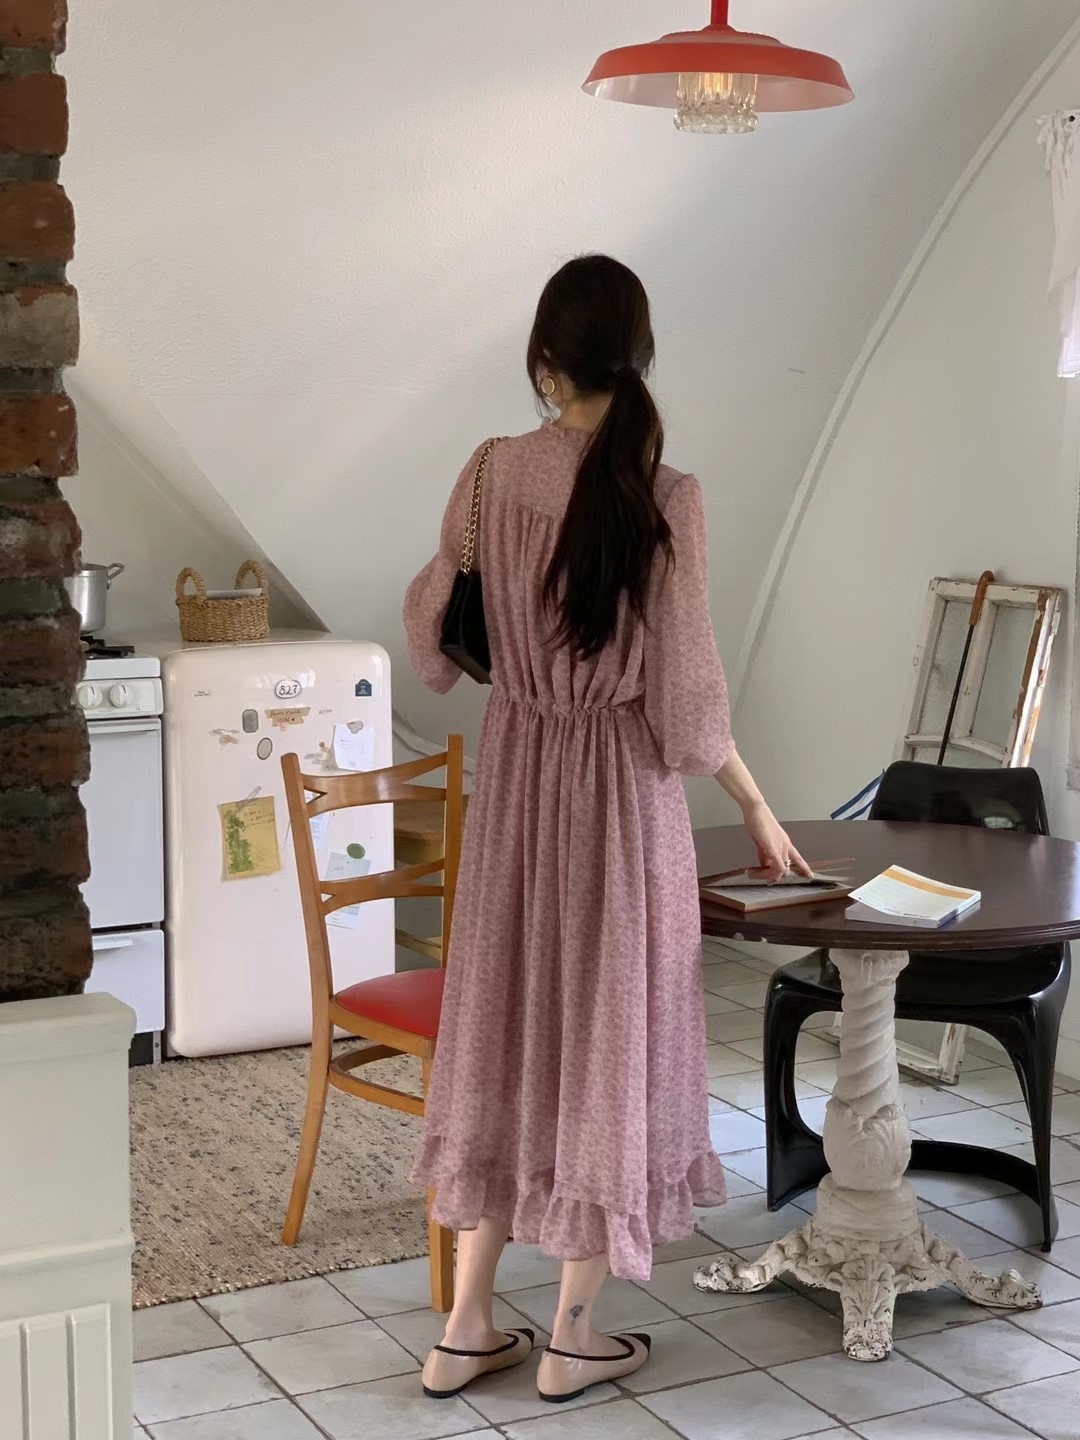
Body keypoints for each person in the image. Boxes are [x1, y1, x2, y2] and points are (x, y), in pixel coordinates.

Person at [403, 254, 807, 1403]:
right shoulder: (664, 494)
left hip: (518, 787)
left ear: (545, 360)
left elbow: (433, 625)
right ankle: (573, 1333)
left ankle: (465, 1326)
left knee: (508, 1031)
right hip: (621, 806)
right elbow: (685, 705)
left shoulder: (490, 471)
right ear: (639, 358)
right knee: (608, 1045)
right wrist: (754, 800)